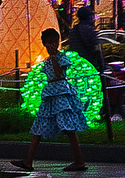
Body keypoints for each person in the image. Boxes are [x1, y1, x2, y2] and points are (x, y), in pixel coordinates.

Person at [10, 28, 89, 173]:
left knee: (69, 127)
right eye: (50, 42)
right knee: (39, 126)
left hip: (61, 93)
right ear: (45, 43)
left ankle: (79, 161)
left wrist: (53, 57)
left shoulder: (61, 57)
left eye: (55, 42)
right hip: (50, 94)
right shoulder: (46, 61)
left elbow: (59, 73)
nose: (53, 45)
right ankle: (28, 160)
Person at [69, 4, 104, 72]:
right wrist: (101, 65)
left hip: (76, 64)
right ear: (88, 17)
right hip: (89, 63)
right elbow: (97, 49)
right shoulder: (90, 30)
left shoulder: (73, 30)